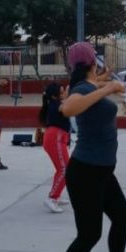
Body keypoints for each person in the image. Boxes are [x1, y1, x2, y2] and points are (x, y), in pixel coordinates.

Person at [44, 42, 126, 252]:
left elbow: (91, 88)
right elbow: (69, 108)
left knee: (123, 217)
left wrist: (106, 83)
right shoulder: (81, 90)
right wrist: (109, 87)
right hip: (86, 171)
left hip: (102, 170)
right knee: (89, 235)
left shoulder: (89, 85)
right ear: (91, 62)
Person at [39, 83, 71, 213]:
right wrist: (69, 97)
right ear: (54, 96)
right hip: (55, 138)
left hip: (58, 138)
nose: (64, 94)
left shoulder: (55, 104)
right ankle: (52, 198)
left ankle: (56, 195)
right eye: (62, 92)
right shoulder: (57, 106)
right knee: (65, 170)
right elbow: (68, 107)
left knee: (62, 169)